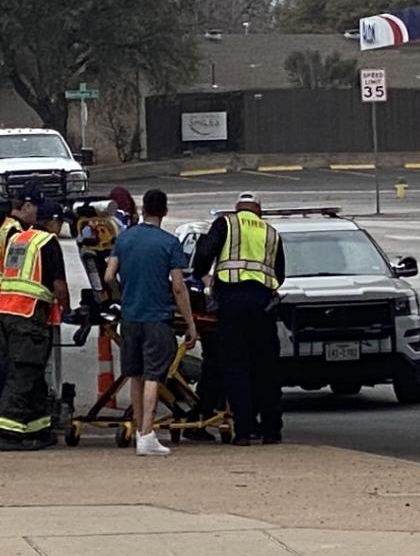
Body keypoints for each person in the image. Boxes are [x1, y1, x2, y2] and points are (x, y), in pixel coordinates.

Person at [103, 189, 198, 457]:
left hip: (130, 317)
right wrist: (190, 322)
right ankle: (147, 433)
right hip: (157, 318)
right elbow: (179, 288)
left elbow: (109, 276)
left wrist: (125, 293)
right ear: (165, 211)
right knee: (154, 376)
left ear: (143, 210)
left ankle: (137, 430)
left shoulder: (124, 238)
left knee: (135, 374)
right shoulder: (169, 243)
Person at [192, 192, 286, 446]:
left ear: (237, 209)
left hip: (232, 302)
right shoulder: (271, 232)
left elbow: (203, 255)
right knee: (266, 368)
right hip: (263, 304)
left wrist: (202, 276)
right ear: (260, 210)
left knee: (235, 366)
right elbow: (280, 273)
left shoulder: (226, 224)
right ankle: (271, 431)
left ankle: (243, 431)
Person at [0, 199, 69, 451]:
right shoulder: (48, 243)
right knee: (23, 373)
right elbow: (58, 285)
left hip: (6, 312)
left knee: (33, 372)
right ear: (54, 222)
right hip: (29, 316)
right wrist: (67, 308)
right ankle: (6, 431)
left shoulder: (20, 239)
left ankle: (40, 428)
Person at [0, 188, 40, 442]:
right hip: (17, 306)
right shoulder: (18, 234)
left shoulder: (5, 228)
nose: (37, 213)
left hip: (2, 303)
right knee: (14, 372)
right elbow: (16, 271)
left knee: (7, 369)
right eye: (35, 207)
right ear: (26, 206)